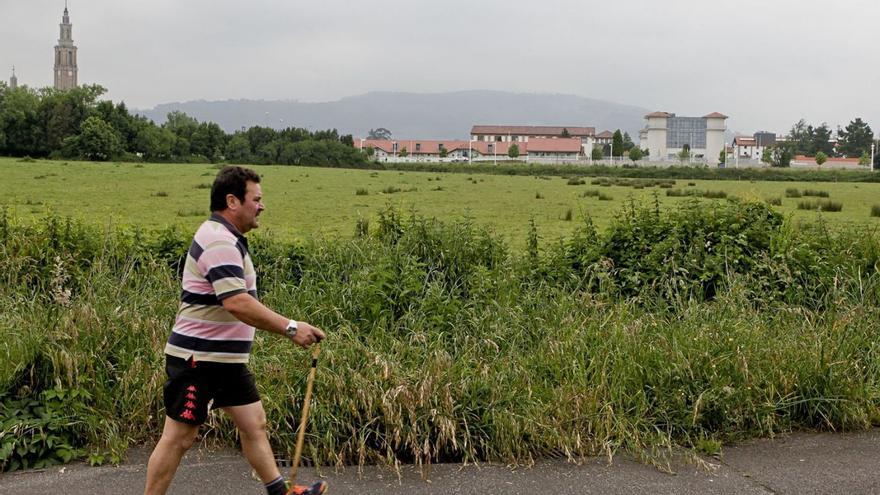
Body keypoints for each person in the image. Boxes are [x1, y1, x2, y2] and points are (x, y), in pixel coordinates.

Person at [144, 166, 327, 495]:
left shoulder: (228, 239)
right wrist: (290, 328)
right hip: (198, 360)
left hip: (224, 361)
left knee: (253, 424)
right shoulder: (218, 241)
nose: (262, 206)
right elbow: (237, 303)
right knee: (179, 438)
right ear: (232, 201)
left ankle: (280, 491)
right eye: (256, 199)